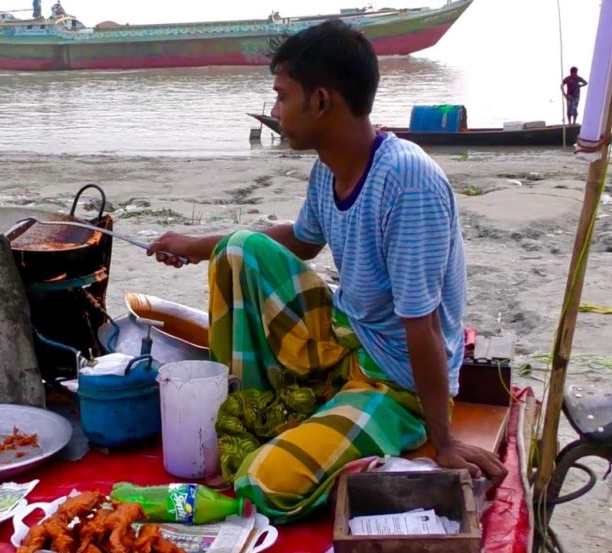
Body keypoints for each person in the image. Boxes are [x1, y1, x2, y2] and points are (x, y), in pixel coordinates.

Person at [147, 20, 506, 523]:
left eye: (281, 96)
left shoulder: (407, 183)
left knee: (261, 481)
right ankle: (267, 403)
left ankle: (375, 425)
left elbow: (420, 324)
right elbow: (302, 240)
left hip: (395, 382)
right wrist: (197, 246)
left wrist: (443, 441)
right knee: (238, 250)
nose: (275, 111)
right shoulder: (330, 168)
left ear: (319, 101)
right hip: (346, 339)